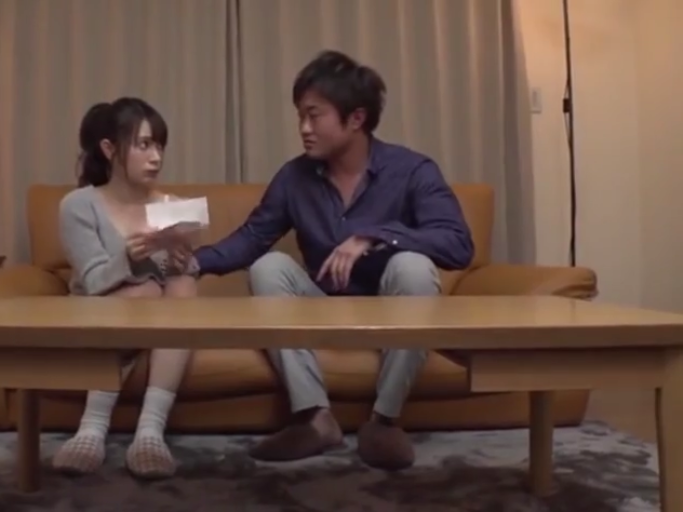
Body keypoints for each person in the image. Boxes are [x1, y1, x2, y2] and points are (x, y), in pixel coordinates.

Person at [189, 50, 474, 471]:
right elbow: (251, 238)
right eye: (300, 117)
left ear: (355, 118)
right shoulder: (294, 177)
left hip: (390, 315)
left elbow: (457, 244)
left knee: (413, 267)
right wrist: (192, 263)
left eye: (314, 116)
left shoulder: (412, 170)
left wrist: (375, 236)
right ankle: (315, 417)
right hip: (321, 306)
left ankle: (384, 420)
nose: (303, 129)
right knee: (269, 267)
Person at [53, 97, 198, 479]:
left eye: (160, 146)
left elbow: (184, 275)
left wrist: (183, 259)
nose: (156, 157)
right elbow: (93, 280)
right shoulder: (78, 205)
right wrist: (129, 259)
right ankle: (92, 427)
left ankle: (150, 431)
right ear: (109, 149)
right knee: (145, 290)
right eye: (144, 145)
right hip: (98, 308)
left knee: (182, 285)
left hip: (159, 314)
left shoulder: (171, 206)